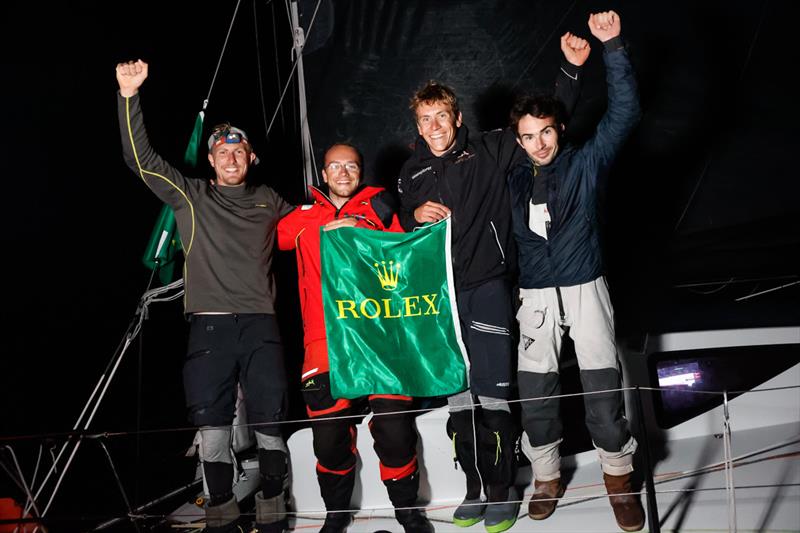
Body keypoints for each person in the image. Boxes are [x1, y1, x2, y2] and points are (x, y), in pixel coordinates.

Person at [396, 35, 590, 533]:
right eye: (425, 120)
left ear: (457, 118)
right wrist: (410, 211)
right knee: (458, 395)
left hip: (487, 286)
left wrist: (569, 68)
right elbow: (398, 218)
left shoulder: (491, 149)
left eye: (442, 117)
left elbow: (541, 127)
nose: (434, 127)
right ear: (416, 126)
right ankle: (475, 488)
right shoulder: (411, 170)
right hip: (438, 297)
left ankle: (503, 490)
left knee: (495, 392)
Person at [116, 60, 293, 533]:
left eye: (238, 151)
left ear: (250, 157)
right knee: (212, 429)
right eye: (221, 152)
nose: (230, 158)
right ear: (211, 160)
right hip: (210, 328)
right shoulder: (190, 196)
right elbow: (141, 159)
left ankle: (274, 509)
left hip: (261, 324)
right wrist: (129, 96)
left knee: (271, 421)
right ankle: (220, 514)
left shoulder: (270, 201)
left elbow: (313, 231)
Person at [506, 11, 644, 532]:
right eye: (528, 136)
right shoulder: (515, 180)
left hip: (586, 289)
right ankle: (545, 478)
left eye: (546, 132)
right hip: (536, 298)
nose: (538, 142)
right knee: (535, 397)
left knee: (603, 395)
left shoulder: (585, 162)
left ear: (558, 130)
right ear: (518, 141)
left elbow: (625, 113)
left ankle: (618, 480)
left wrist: (612, 49)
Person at [277, 144, 432, 533]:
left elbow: (406, 257)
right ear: (324, 174)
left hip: (379, 340)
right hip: (324, 344)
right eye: (335, 166)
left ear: (360, 173)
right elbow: (268, 237)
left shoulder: (380, 210)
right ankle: (336, 514)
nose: (343, 172)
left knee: (396, 429)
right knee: (328, 440)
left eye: (352, 166)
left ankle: (407, 510)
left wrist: (361, 231)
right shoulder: (299, 219)